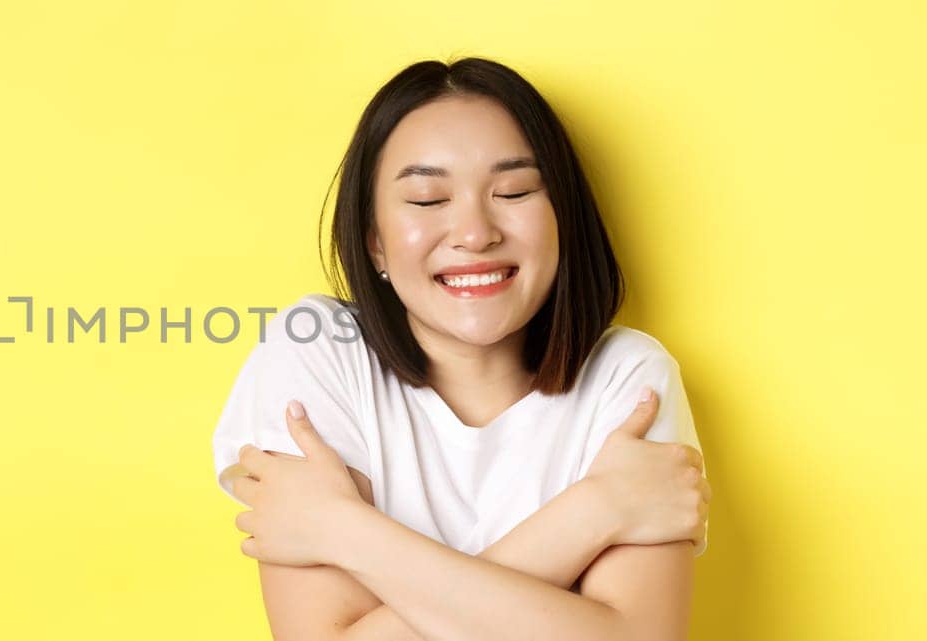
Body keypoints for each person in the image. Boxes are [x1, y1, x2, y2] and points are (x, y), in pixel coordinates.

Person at [210, 57, 712, 641]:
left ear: (562, 222)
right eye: (427, 200)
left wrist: (341, 530)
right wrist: (593, 512)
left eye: (515, 191)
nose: (475, 234)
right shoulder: (318, 349)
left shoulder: (629, 379)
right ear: (375, 243)